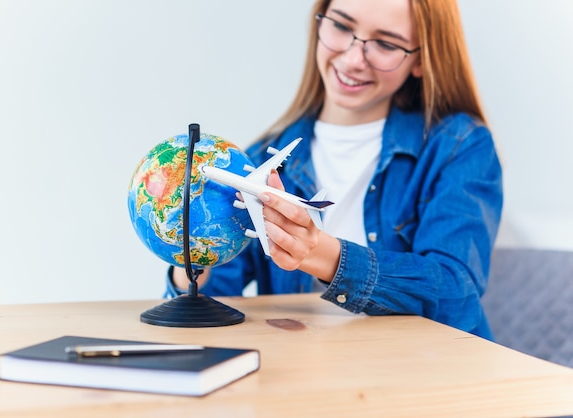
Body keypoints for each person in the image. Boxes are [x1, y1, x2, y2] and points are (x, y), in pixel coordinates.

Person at [167, 0, 503, 339]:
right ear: (319, 24)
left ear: (421, 59)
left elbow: (457, 294)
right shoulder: (255, 161)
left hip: (426, 376)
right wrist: (189, 256)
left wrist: (321, 254)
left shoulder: (459, 145)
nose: (353, 59)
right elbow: (209, 308)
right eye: (341, 26)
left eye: (386, 44)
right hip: (311, 380)